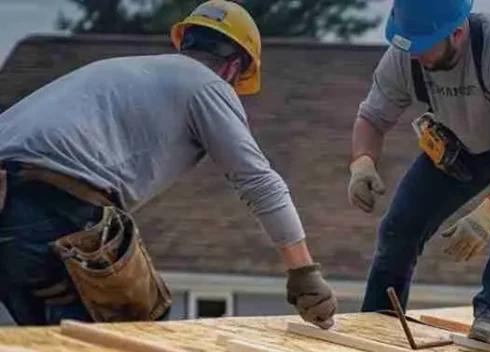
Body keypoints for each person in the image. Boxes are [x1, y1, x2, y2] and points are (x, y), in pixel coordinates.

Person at [0, 0, 336, 330]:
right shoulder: (206, 84)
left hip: (11, 202)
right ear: (235, 66)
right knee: (135, 336)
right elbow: (260, 183)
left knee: (46, 348)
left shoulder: (118, 71)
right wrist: (303, 274)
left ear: (186, 40)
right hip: (49, 206)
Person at [348, 0, 490, 345]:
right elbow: (372, 118)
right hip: (466, 135)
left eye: (422, 47)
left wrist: (489, 212)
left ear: (457, 33)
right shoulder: (406, 51)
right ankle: (377, 319)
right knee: (399, 226)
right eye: (410, 45)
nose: (415, 56)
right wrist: (362, 163)